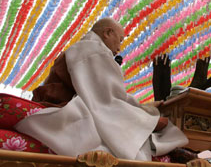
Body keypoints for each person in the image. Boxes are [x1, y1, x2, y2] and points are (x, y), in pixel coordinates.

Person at [15, 18, 188, 161]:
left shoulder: (82, 48)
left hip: (76, 103)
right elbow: (106, 100)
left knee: (143, 119)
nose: (119, 47)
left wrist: (143, 108)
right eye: (119, 39)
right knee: (149, 124)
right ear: (107, 33)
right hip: (68, 108)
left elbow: (105, 93)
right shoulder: (92, 49)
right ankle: (174, 152)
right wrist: (145, 113)